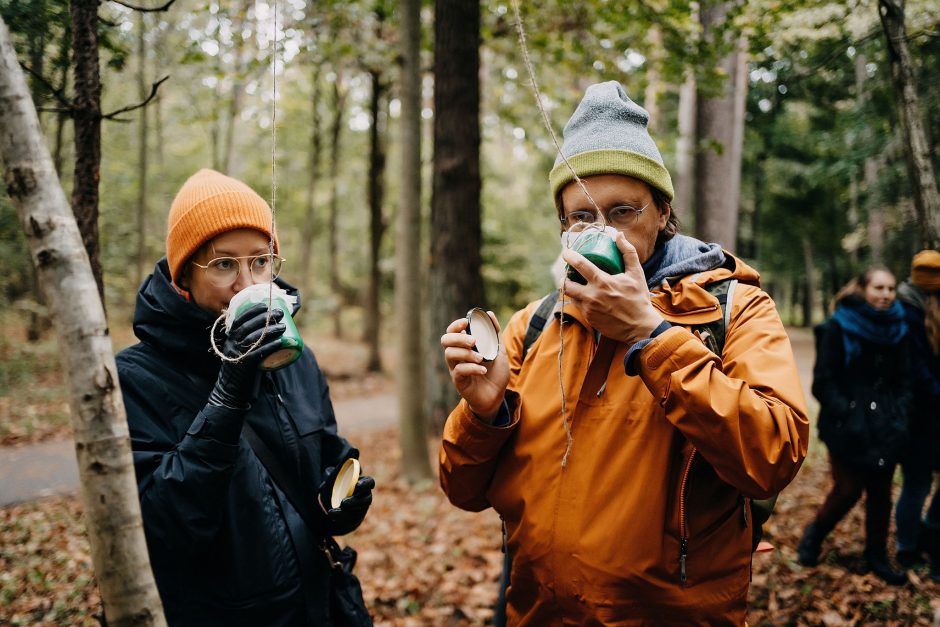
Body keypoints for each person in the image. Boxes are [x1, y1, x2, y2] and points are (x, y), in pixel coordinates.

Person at [438, 81, 809, 624]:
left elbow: (775, 455)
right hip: (537, 612)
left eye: (622, 212)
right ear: (563, 227)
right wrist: (485, 413)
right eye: (581, 218)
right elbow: (463, 490)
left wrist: (651, 334)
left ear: (662, 212)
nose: (601, 233)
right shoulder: (534, 325)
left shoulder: (732, 310)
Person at [116, 169, 374, 625]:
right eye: (223, 264)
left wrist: (338, 504)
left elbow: (324, 461)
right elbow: (162, 527)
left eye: (260, 261)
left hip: (318, 609)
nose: (246, 284)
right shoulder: (135, 378)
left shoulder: (299, 360)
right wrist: (228, 392)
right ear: (182, 278)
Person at [796, 266, 912, 585]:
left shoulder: (899, 328)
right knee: (848, 490)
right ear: (862, 289)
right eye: (878, 288)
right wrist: (847, 411)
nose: (886, 295)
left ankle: (876, 556)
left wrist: (899, 413)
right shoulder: (838, 327)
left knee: (881, 493)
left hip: (887, 425)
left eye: (890, 289)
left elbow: (905, 379)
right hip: (847, 425)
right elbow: (823, 381)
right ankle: (813, 535)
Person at [894, 250, 940, 580]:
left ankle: (927, 532)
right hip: (918, 418)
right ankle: (908, 549)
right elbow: (916, 370)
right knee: (917, 484)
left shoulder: (922, 306)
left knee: (921, 484)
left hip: (932, 415)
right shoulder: (907, 311)